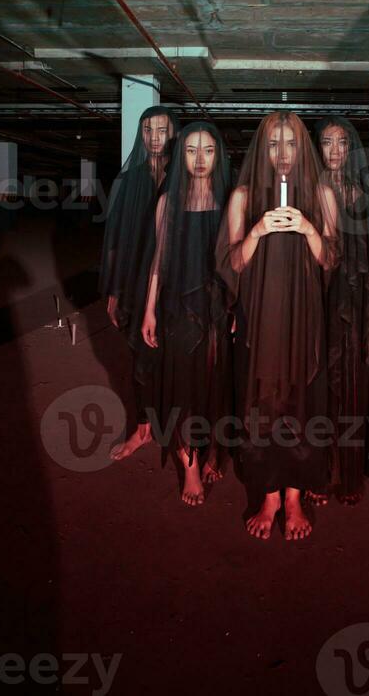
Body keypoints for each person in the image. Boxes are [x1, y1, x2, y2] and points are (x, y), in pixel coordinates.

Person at [217, 111, 340, 541]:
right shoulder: (244, 196)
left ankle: (294, 495)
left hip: (305, 317)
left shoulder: (321, 192)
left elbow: (330, 259)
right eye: (274, 144)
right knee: (261, 403)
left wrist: (307, 228)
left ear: (302, 147)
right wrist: (256, 231)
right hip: (261, 316)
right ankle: (268, 494)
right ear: (262, 150)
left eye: (290, 143)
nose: (283, 153)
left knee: (302, 400)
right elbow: (231, 263)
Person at [141, 122, 231, 505]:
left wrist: (237, 309)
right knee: (183, 387)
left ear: (218, 156)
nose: (199, 158)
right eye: (191, 150)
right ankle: (189, 462)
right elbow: (158, 262)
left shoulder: (229, 200)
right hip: (178, 307)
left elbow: (238, 263)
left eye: (207, 150)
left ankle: (211, 448)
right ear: (181, 155)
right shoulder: (168, 202)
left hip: (217, 310)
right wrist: (149, 311)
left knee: (215, 382)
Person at [308, 116, 369, 506]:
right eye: (327, 142)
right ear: (318, 147)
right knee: (321, 386)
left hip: (356, 302)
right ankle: (322, 471)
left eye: (341, 142)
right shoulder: (314, 187)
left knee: (353, 385)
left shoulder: (366, 190)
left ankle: (349, 474)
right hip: (322, 295)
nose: (335, 150)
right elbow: (320, 250)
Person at [99, 104, 178, 460]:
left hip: (177, 283)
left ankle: (183, 434)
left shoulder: (188, 175)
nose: (155, 137)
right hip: (133, 281)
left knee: (180, 359)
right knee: (141, 358)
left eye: (162, 130)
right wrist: (115, 290)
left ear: (174, 133)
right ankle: (144, 428)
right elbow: (115, 239)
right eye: (148, 130)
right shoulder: (129, 179)